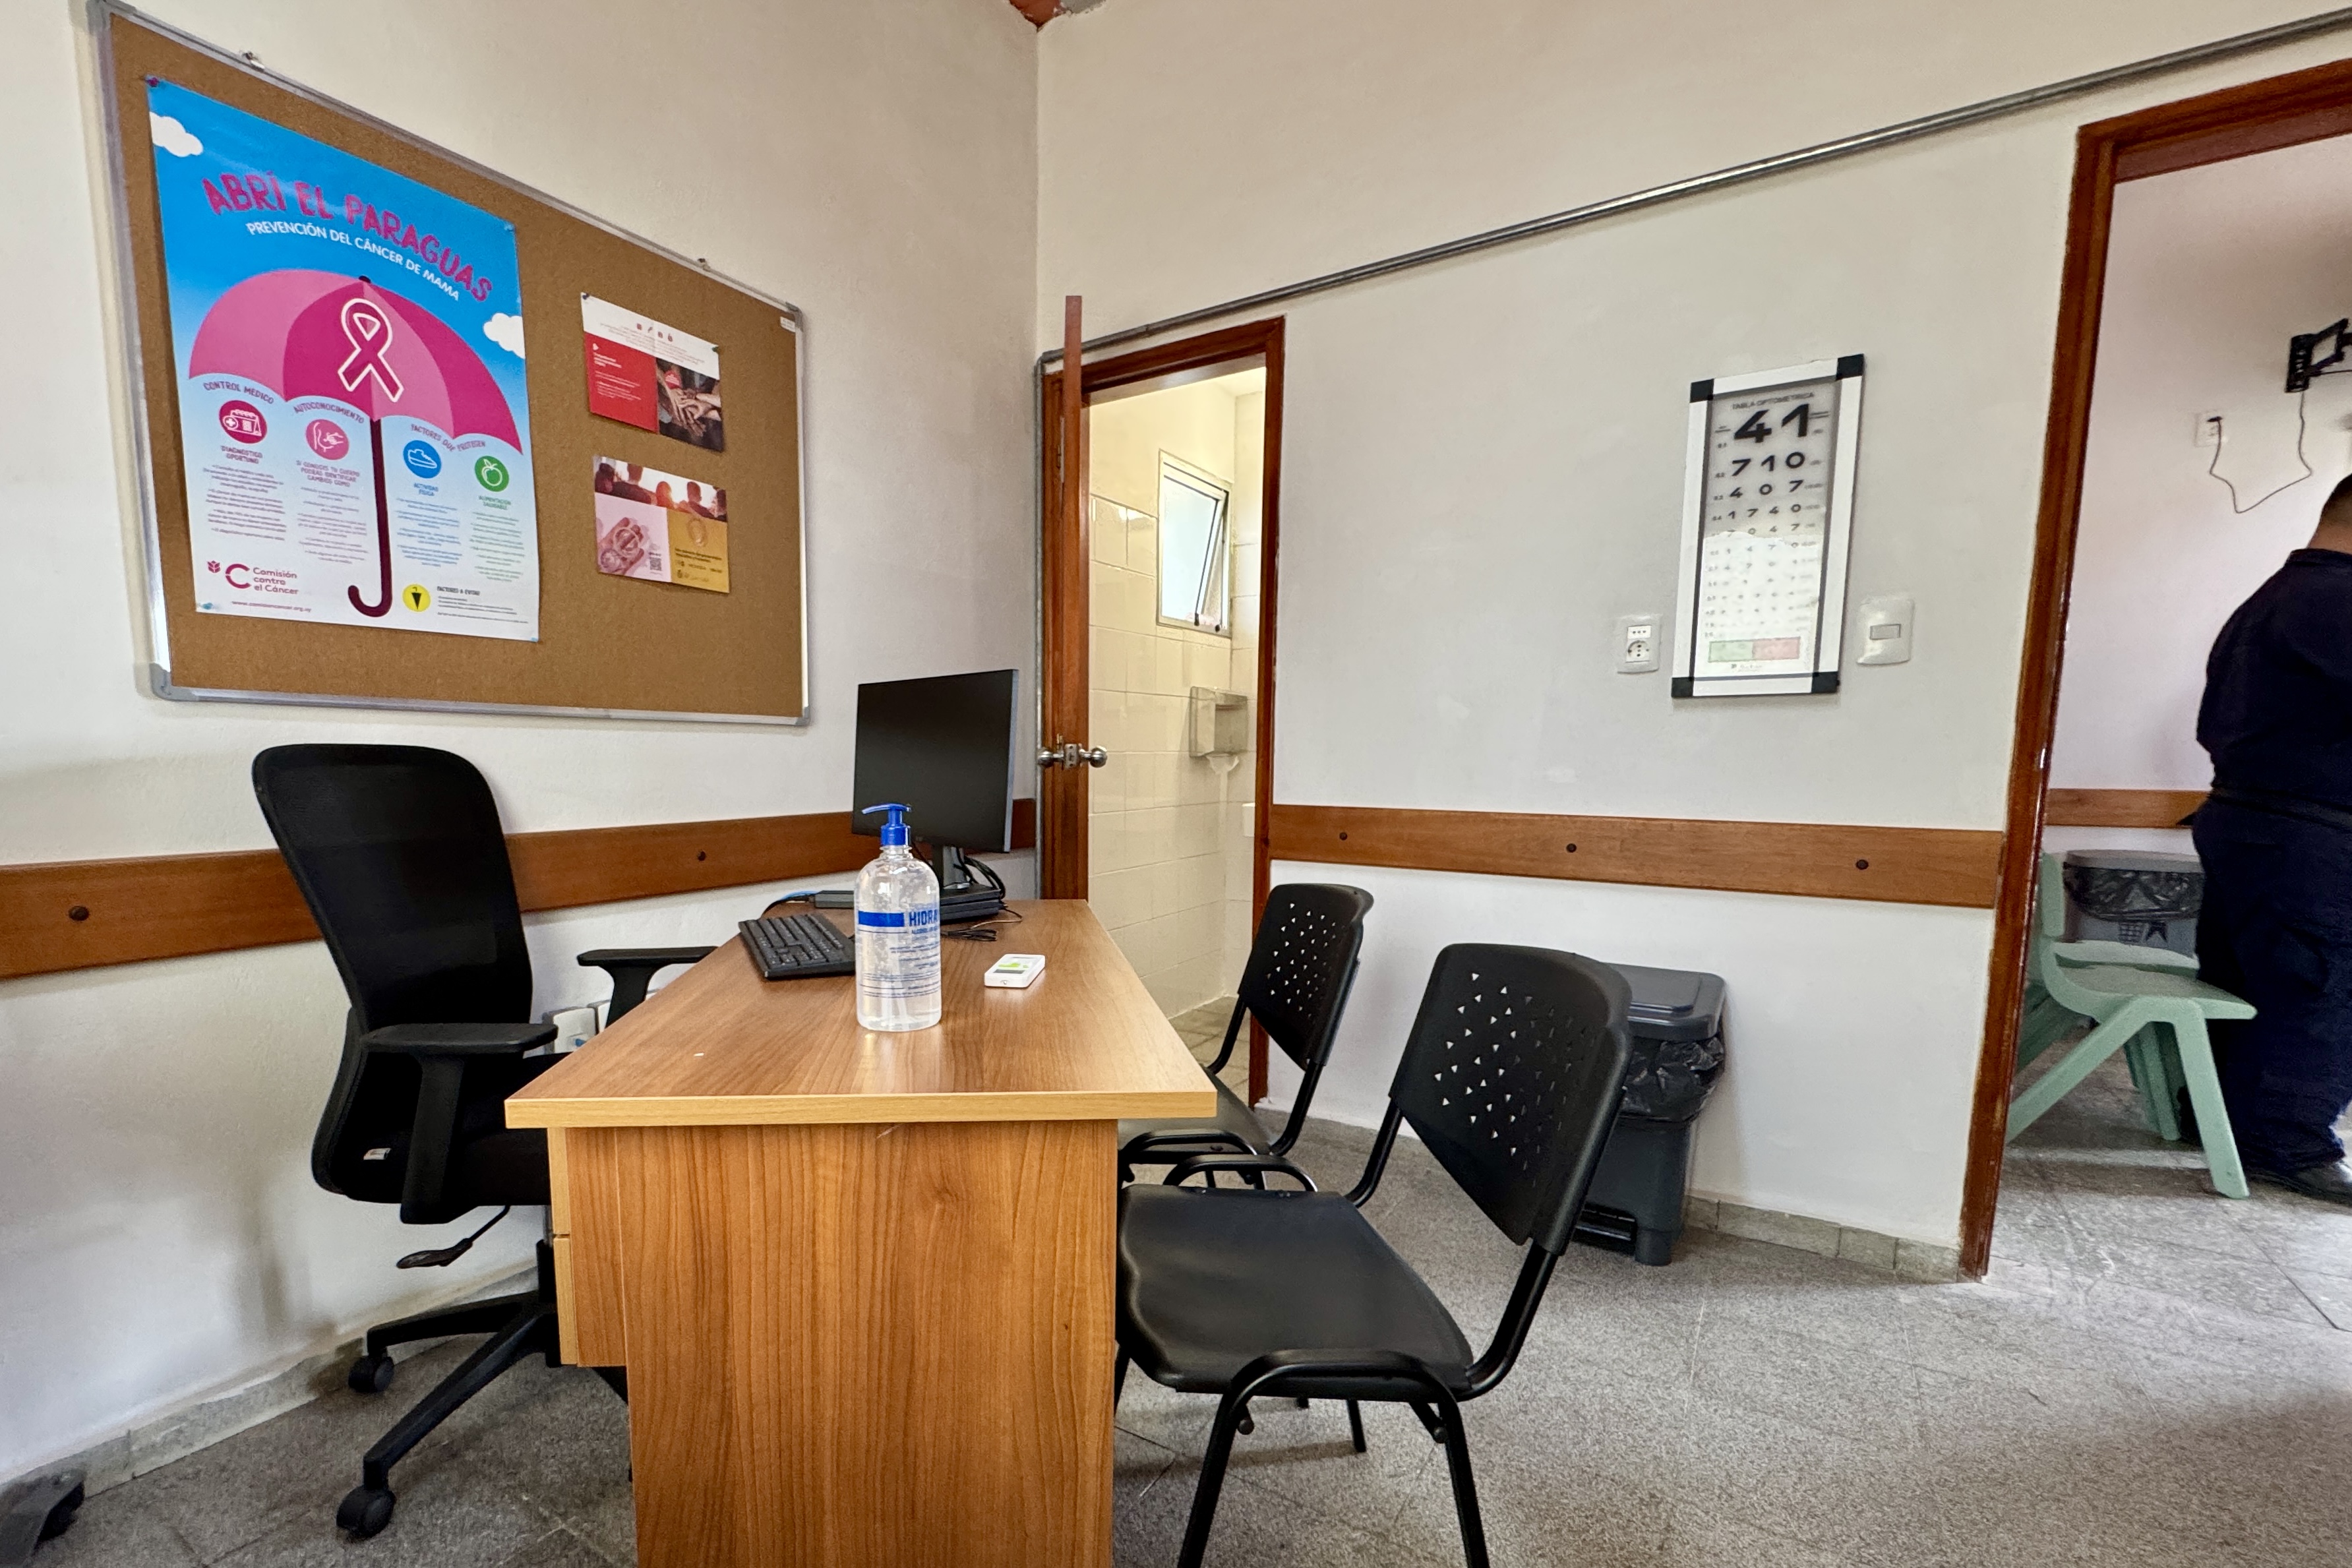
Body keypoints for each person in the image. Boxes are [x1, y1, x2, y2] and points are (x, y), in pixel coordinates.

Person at [2193, 471, 2352, 1205]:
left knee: (2244, 982)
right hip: (2308, 833)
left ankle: (2220, 1121)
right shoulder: (2337, 601)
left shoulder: (2271, 600)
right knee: (2317, 988)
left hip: (2247, 818)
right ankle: (2284, 1142)